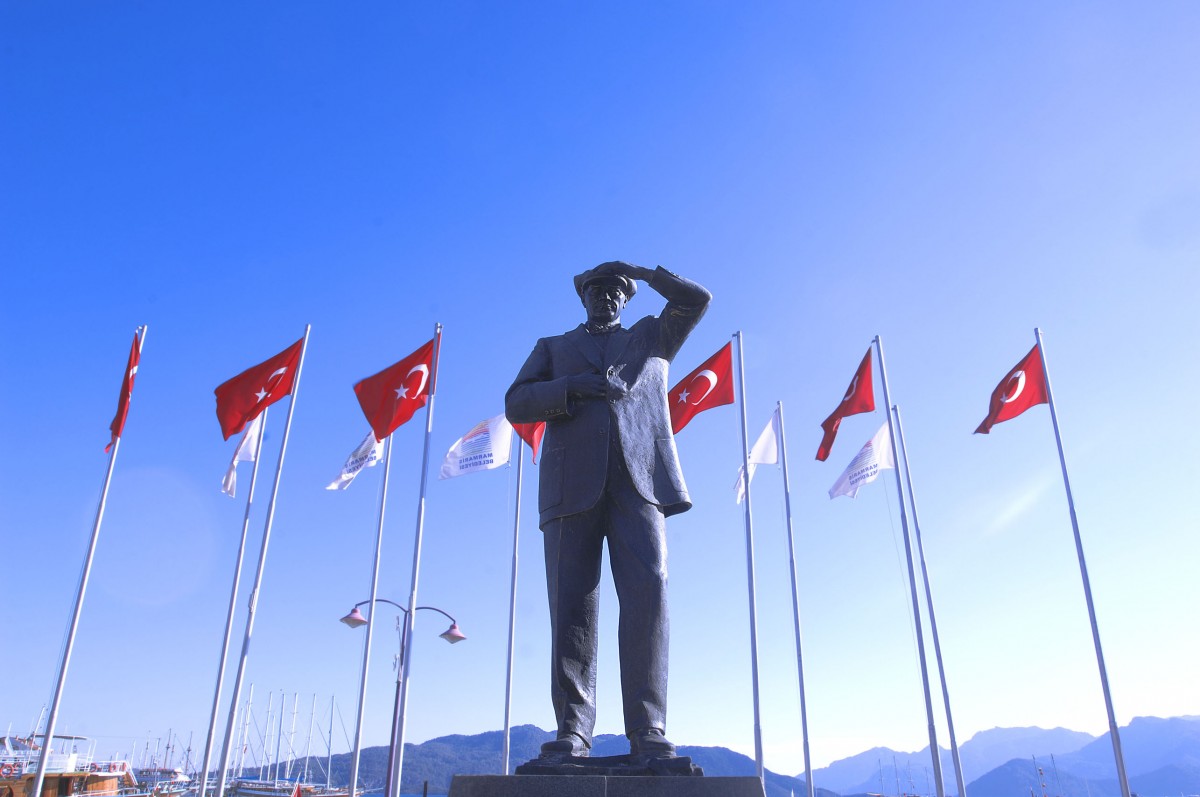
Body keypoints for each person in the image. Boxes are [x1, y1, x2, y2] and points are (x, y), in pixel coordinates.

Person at [505, 261, 711, 760]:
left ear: (627, 298)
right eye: (598, 290)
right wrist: (571, 389)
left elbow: (697, 300)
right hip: (570, 485)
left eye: (617, 290)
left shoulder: (652, 336)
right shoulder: (553, 347)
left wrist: (642, 270)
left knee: (649, 593)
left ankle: (648, 729)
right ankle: (573, 730)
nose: (607, 297)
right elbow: (516, 402)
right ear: (584, 298)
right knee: (571, 604)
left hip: (638, 482)